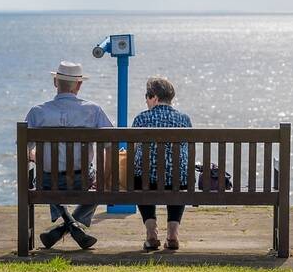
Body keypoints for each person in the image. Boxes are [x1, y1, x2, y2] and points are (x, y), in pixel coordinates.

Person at [24, 61, 113, 250]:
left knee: (46, 178)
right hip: (82, 181)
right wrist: (102, 178)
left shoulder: (37, 112)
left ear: (55, 82)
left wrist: (34, 156)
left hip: (47, 182)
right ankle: (72, 225)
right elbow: (110, 146)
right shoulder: (93, 111)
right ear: (79, 85)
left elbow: (24, 151)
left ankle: (65, 225)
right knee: (100, 183)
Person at [133, 77, 192, 251]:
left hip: (147, 182)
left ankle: (151, 234)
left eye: (146, 96)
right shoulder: (184, 120)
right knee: (178, 175)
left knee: (139, 176)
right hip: (177, 182)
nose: (145, 100)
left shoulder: (141, 119)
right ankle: (173, 235)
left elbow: (135, 151)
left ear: (154, 97)